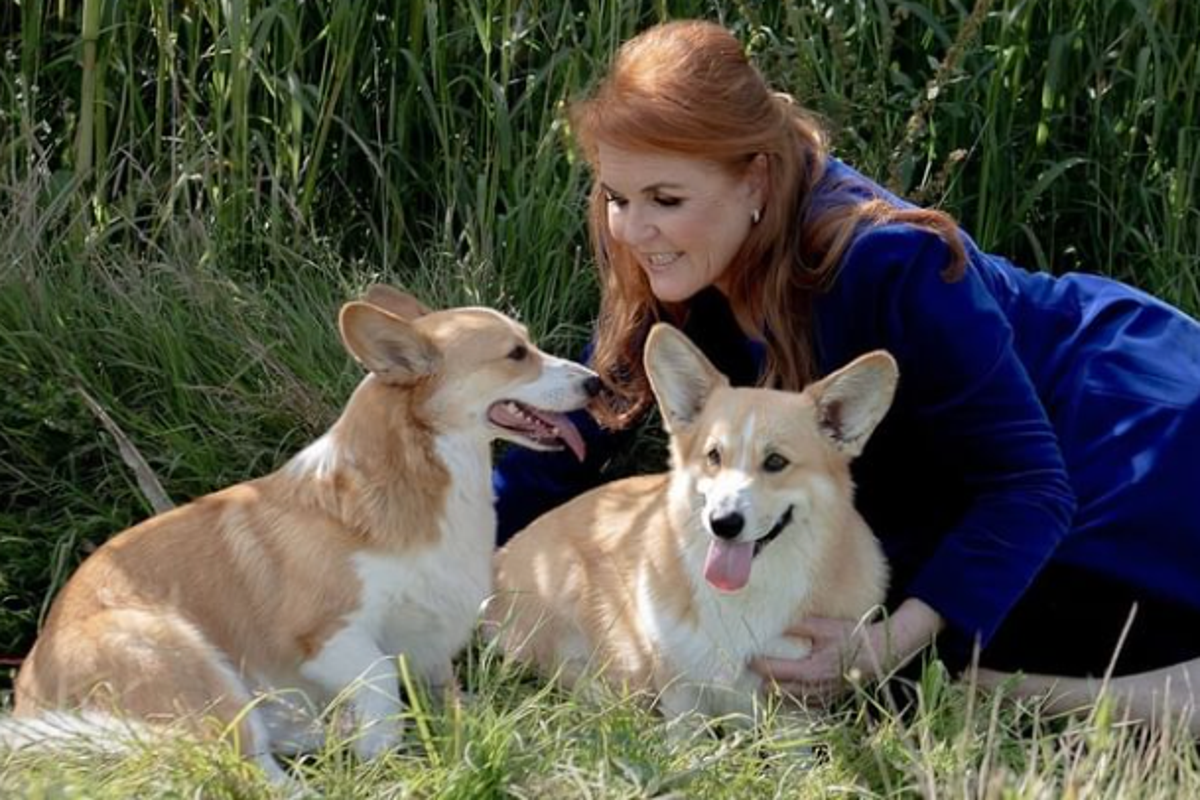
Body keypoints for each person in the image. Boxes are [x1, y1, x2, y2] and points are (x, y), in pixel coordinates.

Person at [491, 19, 1200, 733]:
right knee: (852, 625)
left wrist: (882, 649)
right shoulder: (675, 260)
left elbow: (1030, 486)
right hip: (960, 478)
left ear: (755, 179)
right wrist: (440, 570)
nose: (632, 229)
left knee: (919, 655)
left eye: (664, 200)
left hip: (1122, 432)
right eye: (616, 197)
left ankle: (1118, 697)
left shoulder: (886, 261)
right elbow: (584, 438)